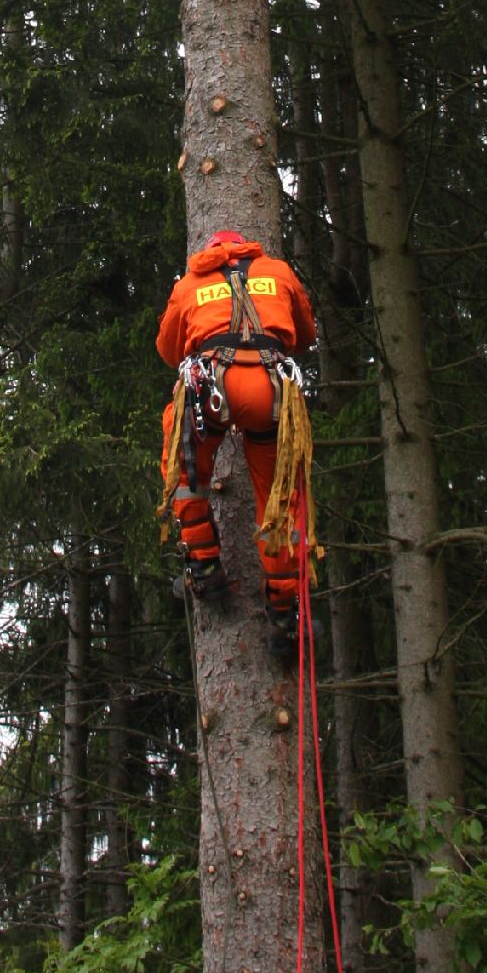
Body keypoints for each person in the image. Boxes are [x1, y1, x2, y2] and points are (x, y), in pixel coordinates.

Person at [157, 226, 317, 657]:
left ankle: (203, 565)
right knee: (280, 498)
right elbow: (305, 334)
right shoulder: (278, 272)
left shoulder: (189, 283)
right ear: (245, 248)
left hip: (211, 386)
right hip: (270, 391)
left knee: (185, 468)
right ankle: (284, 611)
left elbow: (169, 350)